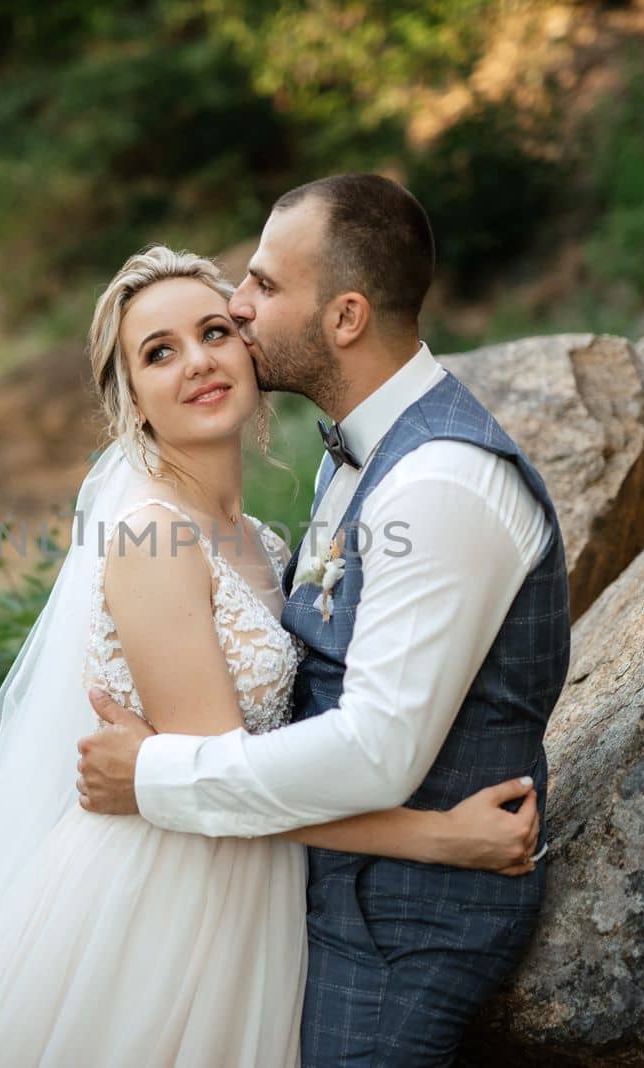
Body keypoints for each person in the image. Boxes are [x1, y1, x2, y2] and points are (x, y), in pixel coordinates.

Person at [0, 244, 542, 1067]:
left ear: (248, 347)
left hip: (250, 893)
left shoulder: (259, 544)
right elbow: (228, 781)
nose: (197, 362)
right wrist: (440, 838)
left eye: (213, 332)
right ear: (132, 400)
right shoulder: (150, 536)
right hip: (164, 905)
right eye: (159, 353)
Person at [77, 174, 572, 1066]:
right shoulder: (352, 463)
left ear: (344, 318)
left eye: (263, 287)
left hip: (406, 926)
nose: (238, 304)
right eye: (158, 351)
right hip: (305, 897)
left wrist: (153, 775)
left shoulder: (438, 482)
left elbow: (376, 748)